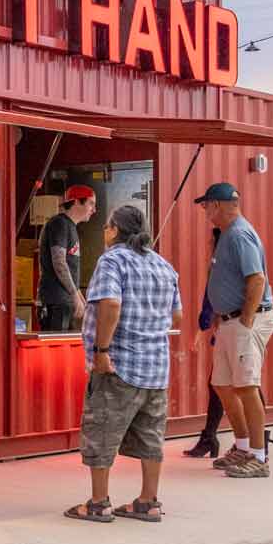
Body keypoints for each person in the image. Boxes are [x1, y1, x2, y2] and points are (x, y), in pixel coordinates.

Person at [68, 204, 182, 523]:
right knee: (151, 436)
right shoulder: (163, 265)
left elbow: (111, 304)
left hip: (120, 365)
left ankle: (98, 501)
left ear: (115, 229)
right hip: (156, 368)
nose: (104, 232)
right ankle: (148, 500)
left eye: (106, 226)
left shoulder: (112, 260)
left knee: (102, 431)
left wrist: (102, 350)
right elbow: (177, 314)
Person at [195, 182, 273, 480]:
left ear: (218, 205)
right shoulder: (228, 235)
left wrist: (245, 320)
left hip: (246, 320)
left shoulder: (240, 235)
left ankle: (258, 455)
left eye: (206, 205)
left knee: (245, 386)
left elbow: (257, 279)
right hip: (230, 320)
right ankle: (243, 446)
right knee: (223, 384)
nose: (205, 211)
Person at [36, 185, 95, 331]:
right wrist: (75, 296)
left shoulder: (70, 227)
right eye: (91, 204)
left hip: (64, 301)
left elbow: (69, 267)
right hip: (55, 301)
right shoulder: (59, 223)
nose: (94, 210)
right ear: (76, 202)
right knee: (56, 349)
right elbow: (59, 262)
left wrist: (80, 298)